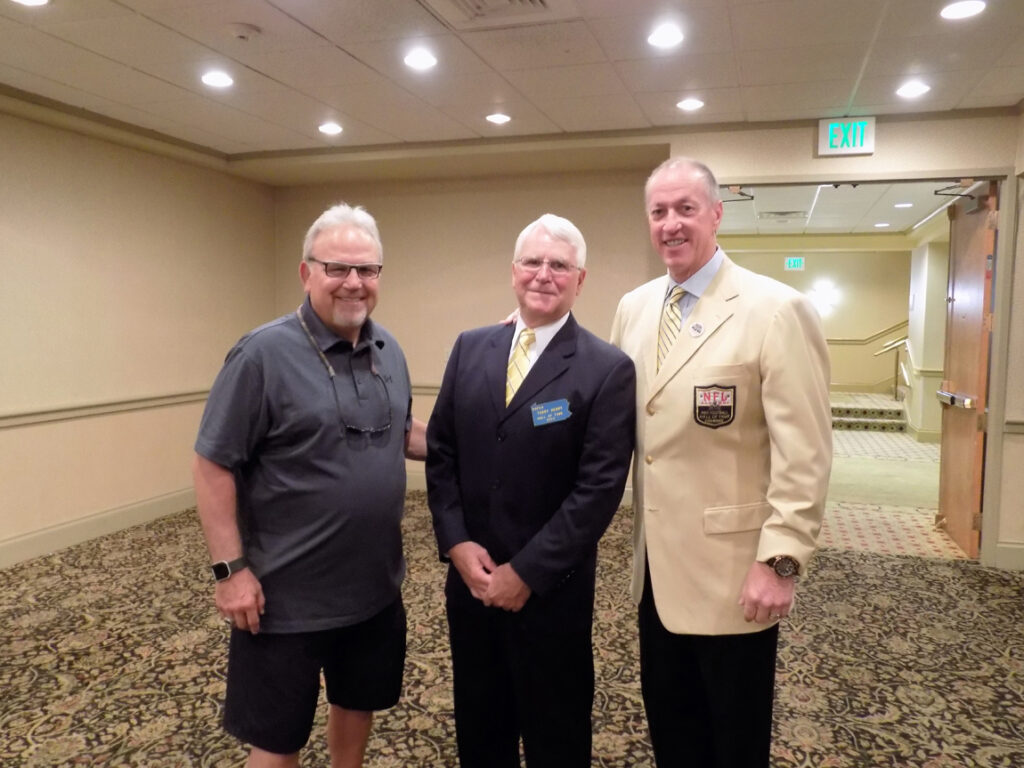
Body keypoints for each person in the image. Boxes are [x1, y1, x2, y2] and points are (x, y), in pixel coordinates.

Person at [609, 158, 832, 767]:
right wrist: (525, 334)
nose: (671, 224)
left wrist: (780, 561)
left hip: (736, 576)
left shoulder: (776, 309)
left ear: (715, 214)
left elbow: (805, 453)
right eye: (658, 212)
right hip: (655, 571)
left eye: (685, 208)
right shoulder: (633, 307)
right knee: (673, 732)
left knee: (732, 740)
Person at [192, 202, 426, 768]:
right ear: (306, 273)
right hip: (283, 600)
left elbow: (403, 433)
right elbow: (212, 465)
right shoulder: (262, 354)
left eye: (367, 270)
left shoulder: (386, 349)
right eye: (337, 268)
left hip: (372, 590)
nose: (353, 283)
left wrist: (496, 420)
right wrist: (229, 572)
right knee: (277, 741)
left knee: (357, 702)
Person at [426, 213, 636, 768]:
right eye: (532, 262)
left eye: (559, 265)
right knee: (480, 725)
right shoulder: (470, 347)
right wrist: (455, 542)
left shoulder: (606, 368)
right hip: (470, 585)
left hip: (551, 594)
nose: (544, 274)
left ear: (580, 280)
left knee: (556, 733)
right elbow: (443, 453)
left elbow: (598, 489)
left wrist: (527, 574)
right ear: (513, 271)